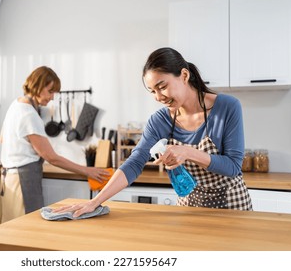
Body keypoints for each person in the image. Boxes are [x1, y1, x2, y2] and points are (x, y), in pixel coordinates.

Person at [54, 47, 253, 217]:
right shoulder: (160, 120)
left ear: (184, 75)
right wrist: (94, 202)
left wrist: (188, 152)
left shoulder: (227, 107)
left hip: (232, 205)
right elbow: (135, 162)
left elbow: (233, 166)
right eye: (152, 91)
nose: (158, 97)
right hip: (190, 208)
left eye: (162, 86)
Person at [0, 66, 109, 223]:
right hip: (23, 180)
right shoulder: (29, 114)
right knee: (26, 230)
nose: (52, 98)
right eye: (50, 91)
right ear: (38, 85)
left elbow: (3, 138)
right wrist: (87, 171)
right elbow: (51, 158)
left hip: (9, 179)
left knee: (11, 231)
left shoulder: (15, 105)